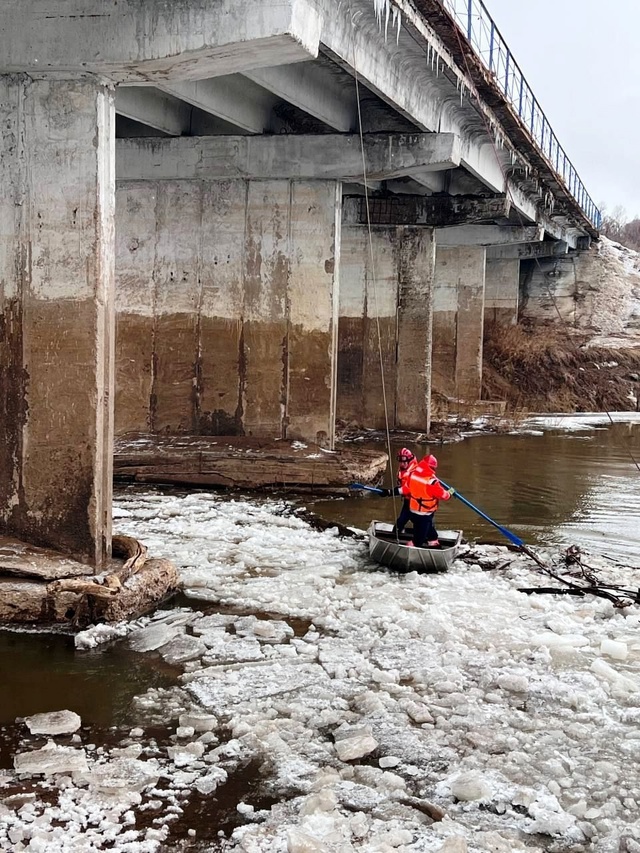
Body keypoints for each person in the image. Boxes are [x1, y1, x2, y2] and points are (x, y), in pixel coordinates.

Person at [403, 453, 455, 548]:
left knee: (427, 526)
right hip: (425, 513)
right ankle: (412, 546)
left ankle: (433, 540)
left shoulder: (412, 475)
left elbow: (406, 488)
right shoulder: (432, 482)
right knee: (420, 536)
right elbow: (443, 495)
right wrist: (451, 491)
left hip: (413, 510)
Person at [379, 448, 418, 535]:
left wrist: (390, 492)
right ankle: (398, 534)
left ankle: (427, 540)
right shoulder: (403, 469)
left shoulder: (415, 471)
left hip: (417, 503)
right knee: (400, 523)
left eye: (403, 462)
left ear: (409, 460)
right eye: (400, 461)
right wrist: (389, 492)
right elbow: (402, 486)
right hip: (408, 501)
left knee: (421, 524)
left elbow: (408, 489)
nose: (401, 464)